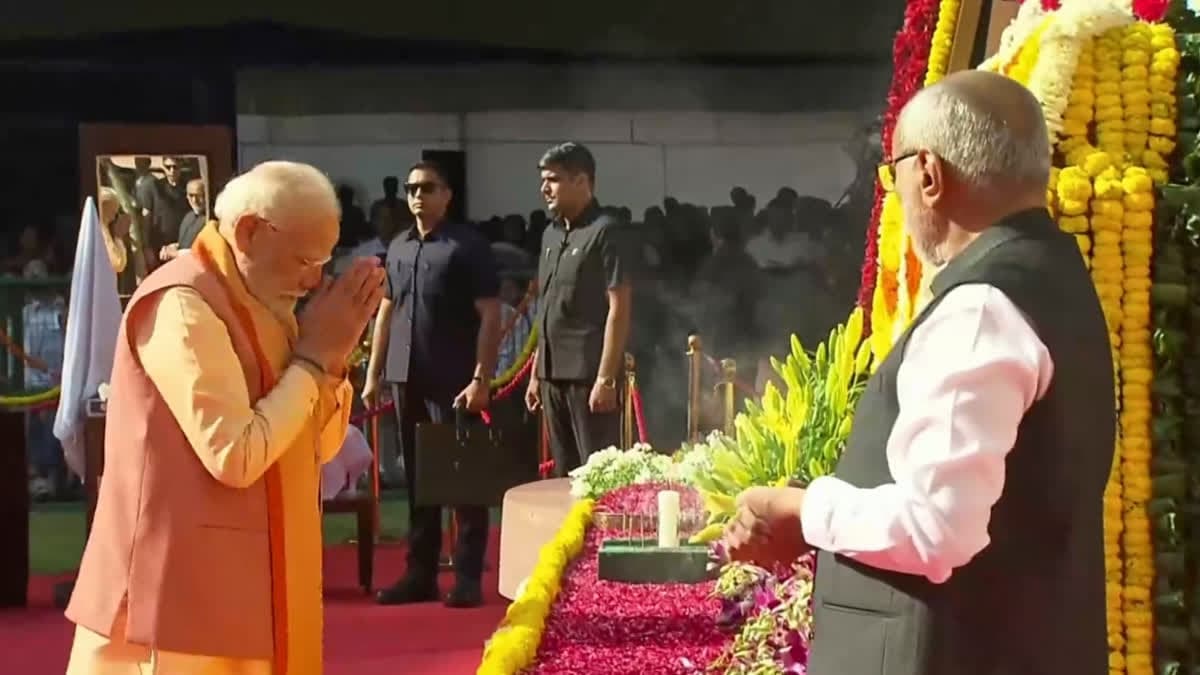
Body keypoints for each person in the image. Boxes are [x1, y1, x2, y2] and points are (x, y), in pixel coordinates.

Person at [722, 71, 1114, 675]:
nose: (896, 194)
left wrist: (799, 508)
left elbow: (936, 528)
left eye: (893, 172)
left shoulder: (981, 306)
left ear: (927, 173)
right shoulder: (1053, 276)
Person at [65, 160, 385, 675]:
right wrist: (312, 361)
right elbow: (234, 454)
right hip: (176, 597)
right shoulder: (182, 302)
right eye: (305, 259)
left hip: (252, 585)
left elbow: (317, 448)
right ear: (250, 232)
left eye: (325, 261)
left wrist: (332, 361)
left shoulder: (263, 302)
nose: (314, 280)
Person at [362, 161, 501, 609]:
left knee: (462, 478)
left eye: (428, 188)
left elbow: (491, 315)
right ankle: (420, 574)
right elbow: (386, 311)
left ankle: (466, 577)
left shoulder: (468, 247)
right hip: (407, 376)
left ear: (447, 195)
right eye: (411, 188)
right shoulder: (398, 247)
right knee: (419, 479)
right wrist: (373, 374)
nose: (418, 195)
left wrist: (482, 377)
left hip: (455, 376)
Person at [524, 142, 633, 475]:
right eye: (544, 180)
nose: (545, 188)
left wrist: (606, 378)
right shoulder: (550, 235)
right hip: (551, 376)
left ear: (582, 181)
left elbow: (619, 307)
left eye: (554, 179)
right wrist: (535, 374)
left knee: (596, 474)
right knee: (563, 474)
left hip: (588, 377)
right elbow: (547, 309)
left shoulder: (605, 231)